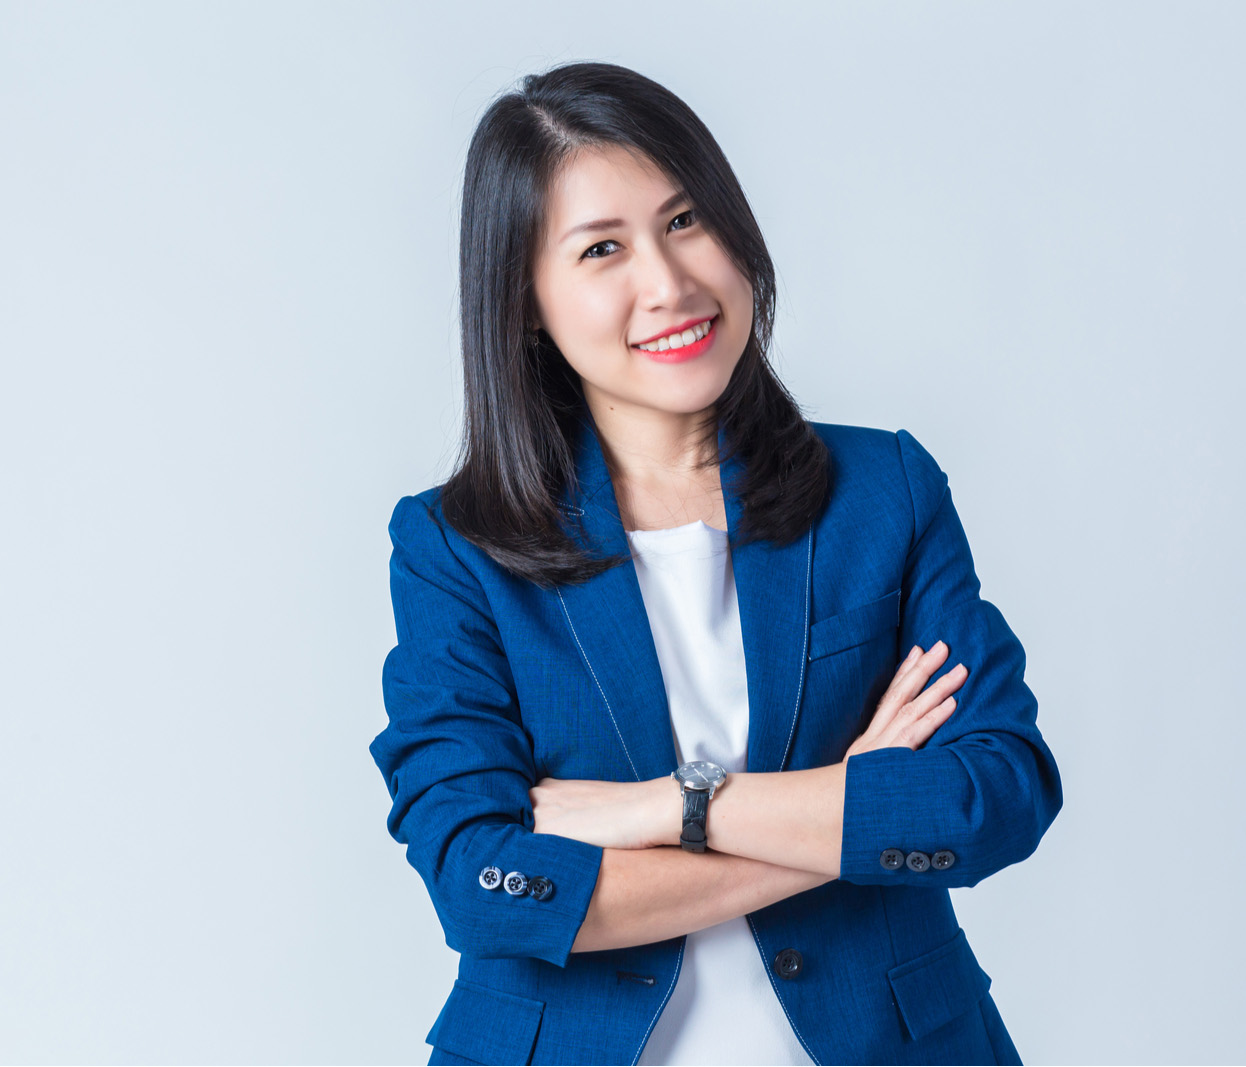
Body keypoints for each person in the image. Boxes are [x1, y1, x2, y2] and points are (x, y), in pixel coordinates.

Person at [369, 61, 1062, 1066]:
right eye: (602, 248)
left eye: (686, 220)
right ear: (526, 298)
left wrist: (675, 806)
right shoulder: (455, 547)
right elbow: (481, 884)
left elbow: (992, 797)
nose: (670, 283)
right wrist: (844, 807)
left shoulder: (884, 491)